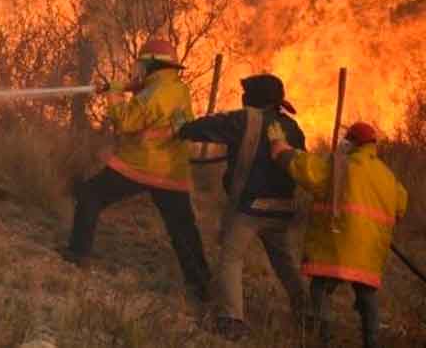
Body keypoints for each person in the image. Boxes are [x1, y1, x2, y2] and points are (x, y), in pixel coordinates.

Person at [61, 38, 211, 304]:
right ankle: (201, 287)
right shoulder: (177, 88)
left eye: (142, 63)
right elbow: (149, 94)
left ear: (151, 64)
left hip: (141, 165)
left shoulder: (153, 95)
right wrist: (125, 86)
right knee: (183, 230)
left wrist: (113, 94)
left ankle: (77, 254)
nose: (138, 69)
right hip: (172, 171)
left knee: (91, 196)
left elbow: (127, 121)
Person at [176, 74, 307, 340]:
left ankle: (231, 320)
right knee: (284, 263)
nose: (243, 98)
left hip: (251, 208)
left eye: (247, 94)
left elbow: (210, 126)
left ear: (256, 98)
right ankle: (307, 312)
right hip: (283, 207)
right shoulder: (292, 127)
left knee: (230, 259)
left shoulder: (245, 119)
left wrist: (183, 127)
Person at [268, 121, 408, 348]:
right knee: (366, 294)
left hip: (336, 244)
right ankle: (371, 342)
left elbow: (308, 171)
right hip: (370, 251)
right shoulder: (388, 176)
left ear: (352, 142)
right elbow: (401, 206)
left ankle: (325, 339)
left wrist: (283, 151)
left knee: (320, 288)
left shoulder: (340, 166)